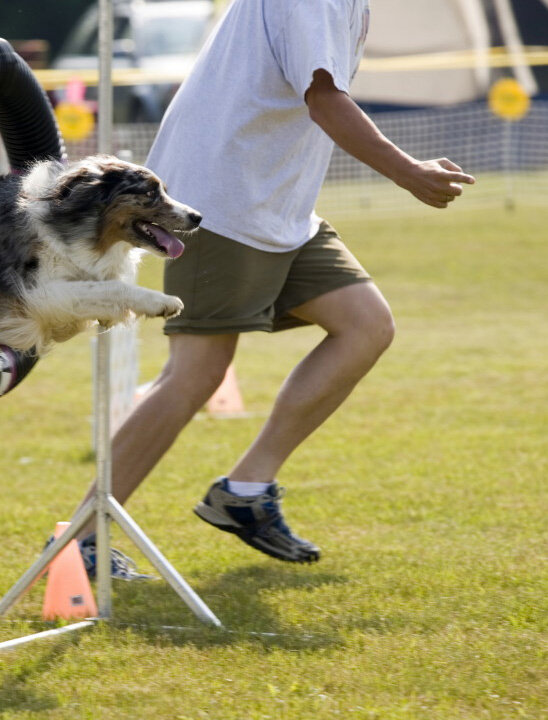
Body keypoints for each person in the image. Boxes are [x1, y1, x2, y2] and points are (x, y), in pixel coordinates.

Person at [73, 0, 475, 576]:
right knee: (194, 375)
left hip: (278, 206)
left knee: (365, 325)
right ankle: (82, 542)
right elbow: (323, 99)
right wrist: (408, 171)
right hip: (220, 200)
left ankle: (245, 490)